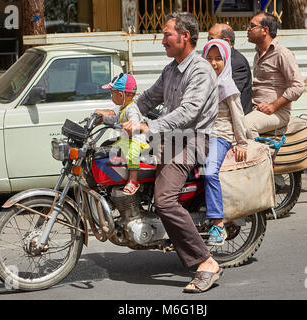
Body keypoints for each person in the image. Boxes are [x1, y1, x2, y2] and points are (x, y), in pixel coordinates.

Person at [122, 11, 222, 293]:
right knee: (120, 161)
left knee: (165, 200)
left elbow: (188, 112)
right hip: (169, 137)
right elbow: (145, 99)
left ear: (185, 37)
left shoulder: (200, 70)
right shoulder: (170, 70)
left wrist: (146, 126)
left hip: (191, 140)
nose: (162, 40)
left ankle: (206, 262)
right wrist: (119, 113)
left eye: (167, 35)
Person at [202, 39, 250, 246]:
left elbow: (237, 115)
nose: (213, 63)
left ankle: (218, 224)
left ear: (226, 60)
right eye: (209, 58)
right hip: (199, 135)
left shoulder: (227, 84)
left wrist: (242, 142)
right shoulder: (200, 82)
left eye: (218, 59)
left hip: (219, 134)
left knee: (210, 171)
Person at [245, 13, 305, 138]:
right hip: (257, 110)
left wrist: (273, 106)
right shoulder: (258, 55)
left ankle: (262, 157)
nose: (248, 29)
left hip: (278, 113)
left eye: (252, 26)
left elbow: (298, 86)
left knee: (246, 126)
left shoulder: (282, 54)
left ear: (264, 30)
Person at [94, 73, 149, 195]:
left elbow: (134, 121)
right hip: (126, 139)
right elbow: (115, 119)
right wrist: (102, 119)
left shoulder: (131, 108)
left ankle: (133, 180)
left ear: (120, 94)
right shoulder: (123, 108)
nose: (111, 96)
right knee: (110, 148)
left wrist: (131, 124)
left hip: (136, 139)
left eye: (111, 93)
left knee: (132, 151)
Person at [208, 23, 253, 115]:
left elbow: (226, 95)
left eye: (211, 39)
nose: (209, 43)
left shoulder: (237, 63)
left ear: (227, 42)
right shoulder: (213, 59)